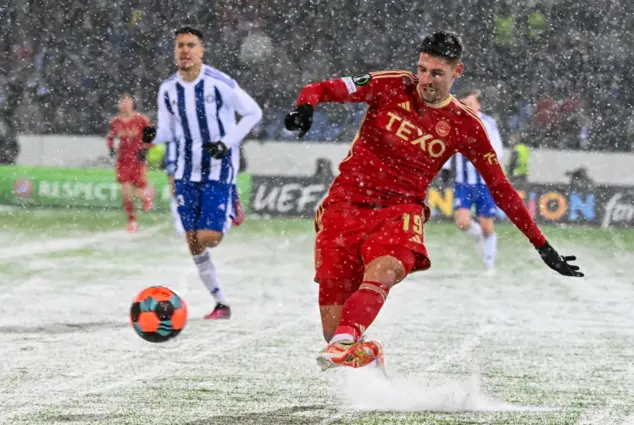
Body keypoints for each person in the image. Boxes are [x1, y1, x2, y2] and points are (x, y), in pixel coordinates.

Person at [284, 31, 583, 371]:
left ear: (457, 72)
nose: (425, 79)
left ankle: (345, 341)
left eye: (436, 73)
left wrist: (541, 245)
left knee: (386, 270)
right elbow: (322, 89)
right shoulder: (391, 84)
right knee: (332, 329)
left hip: (400, 211)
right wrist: (305, 107)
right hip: (344, 206)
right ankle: (362, 350)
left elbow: (501, 189)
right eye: (422, 69)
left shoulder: (464, 125)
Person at [143, 26, 262, 319]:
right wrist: (150, 137)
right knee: (193, 241)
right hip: (185, 171)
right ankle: (220, 302)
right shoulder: (168, 88)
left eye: (190, 45)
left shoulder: (219, 83)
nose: (184, 50)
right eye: (180, 45)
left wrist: (226, 142)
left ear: (201, 51)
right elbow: (168, 130)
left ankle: (231, 201)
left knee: (209, 237)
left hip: (218, 168)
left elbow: (253, 113)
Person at [441, 88, 504, 271]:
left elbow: (498, 150)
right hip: (463, 182)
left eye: (470, 104)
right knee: (462, 222)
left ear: (478, 104)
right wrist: (445, 168)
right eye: (464, 103)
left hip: (485, 183)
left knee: (487, 225)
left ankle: (489, 265)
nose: (466, 107)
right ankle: (477, 236)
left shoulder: (488, 123)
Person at [106, 93, 153, 232]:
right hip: (123, 160)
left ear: (132, 104)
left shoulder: (141, 119)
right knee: (126, 191)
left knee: (138, 191)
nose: (125, 105)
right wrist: (111, 148)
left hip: (137, 160)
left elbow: (150, 134)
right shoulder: (115, 122)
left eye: (128, 102)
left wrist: (145, 149)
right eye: (123, 103)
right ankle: (132, 221)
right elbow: (110, 136)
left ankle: (146, 198)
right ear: (119, 105)